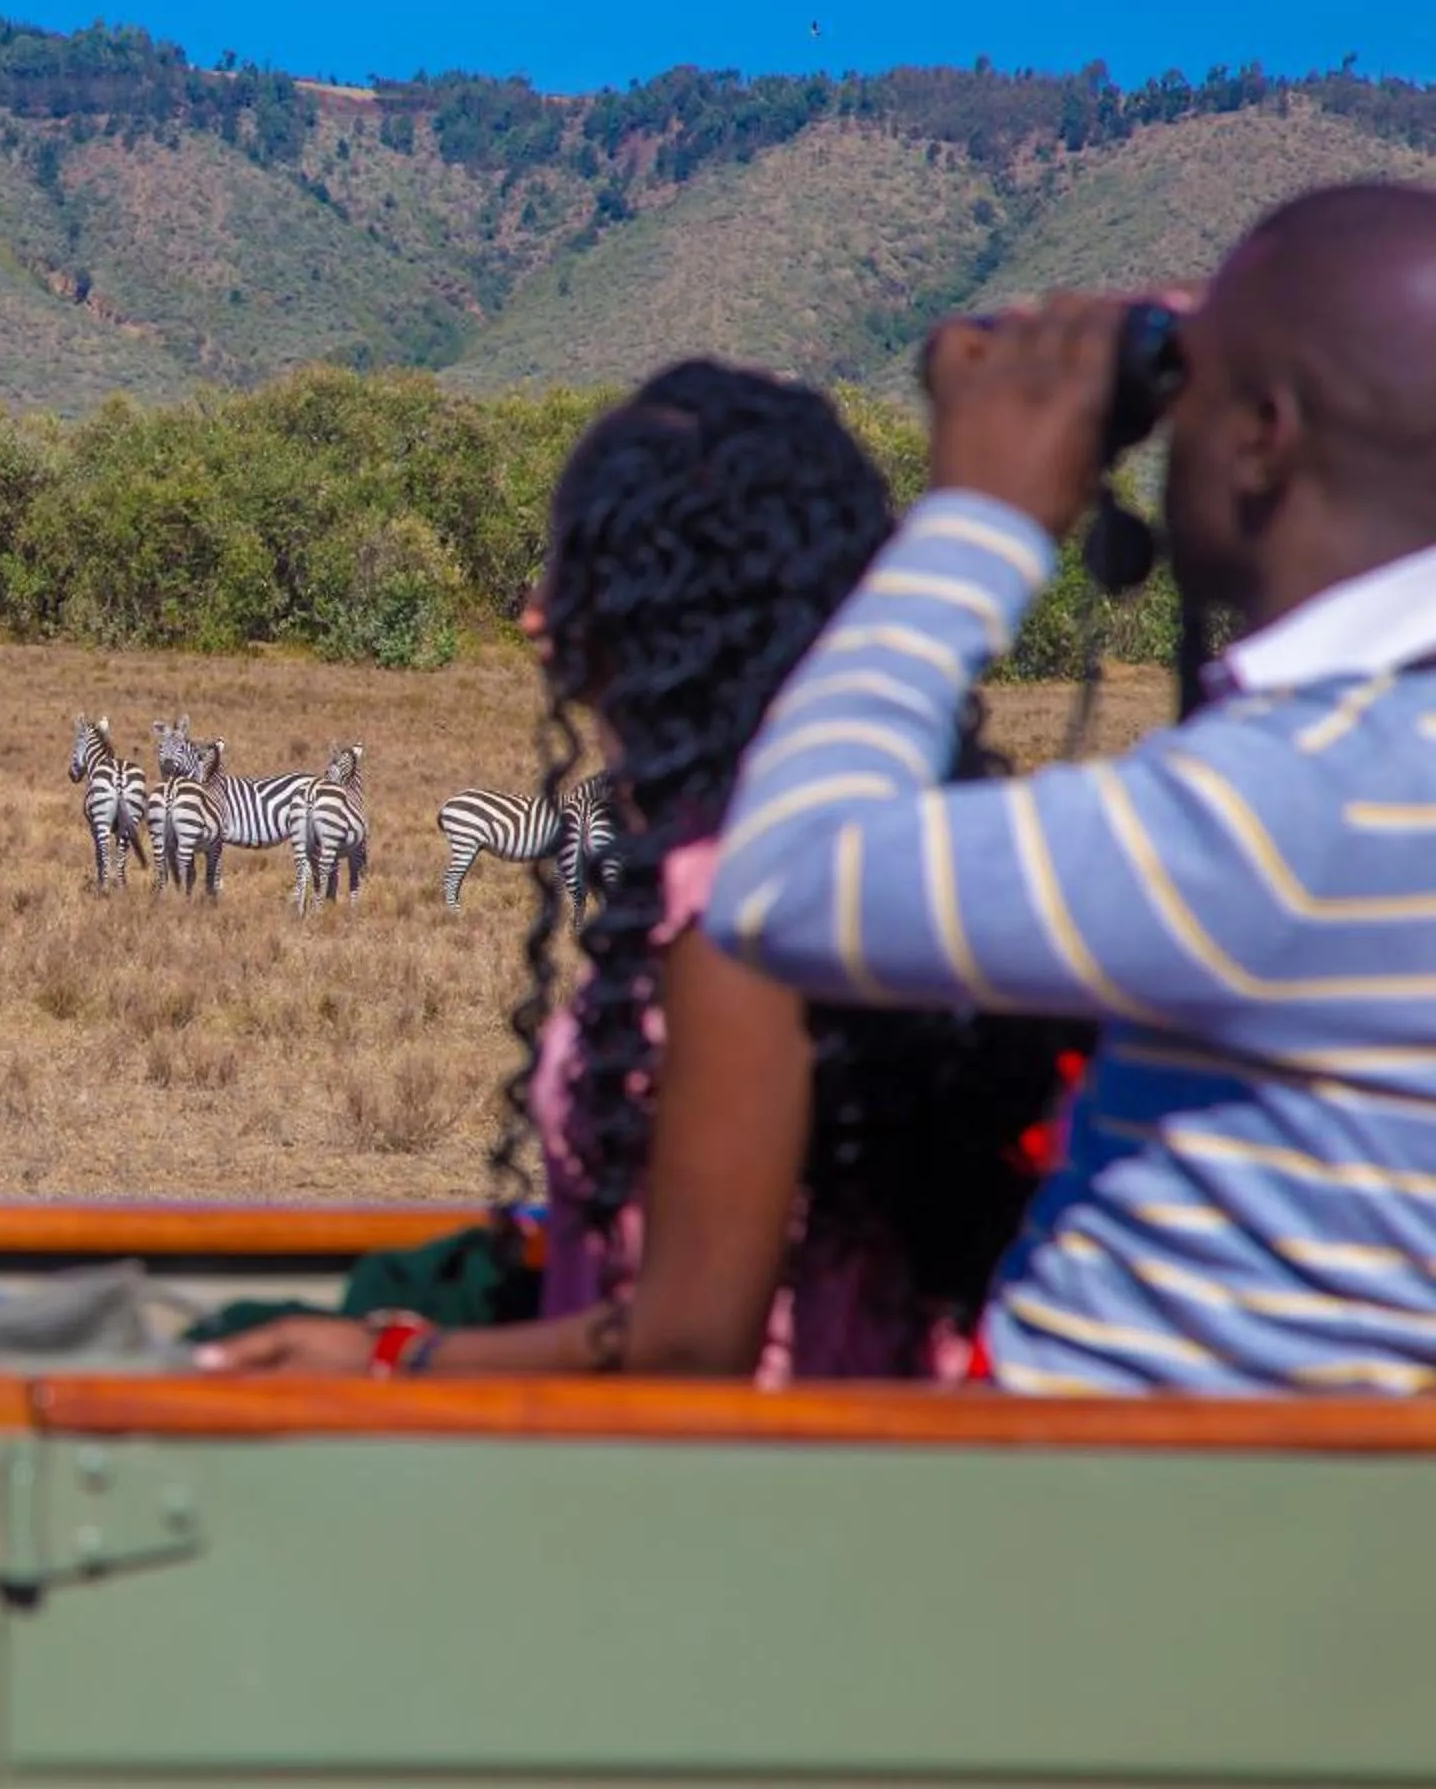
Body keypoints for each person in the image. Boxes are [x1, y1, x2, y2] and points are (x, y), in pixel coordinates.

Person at [198, 363, 1087, 1381]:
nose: (538, 617)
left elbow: (692, 1342)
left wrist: (404, 1352)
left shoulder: (747, 897)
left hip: (713, 1481)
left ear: (668, 608)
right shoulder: (886, 845)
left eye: (580, 575)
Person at [705, 179, 1436, 1396]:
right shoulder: (1364, 758)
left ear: (1264, 436)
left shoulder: (1291, 809)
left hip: (1103, 1541)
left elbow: (783, 877)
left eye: (1186, 395)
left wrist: (977, 517)